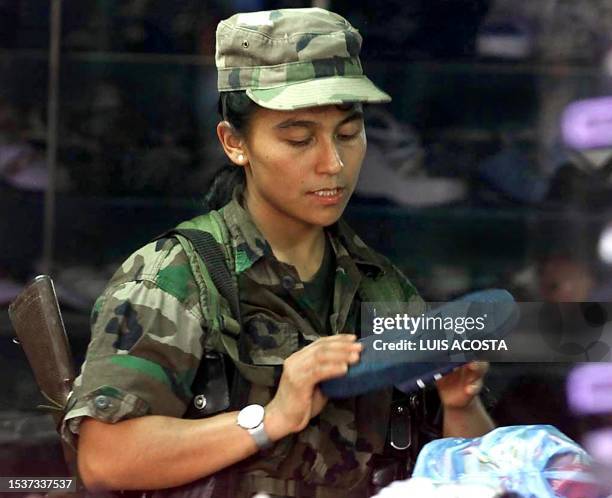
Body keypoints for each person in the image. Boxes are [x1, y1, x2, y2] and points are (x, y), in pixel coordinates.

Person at [61, 7, 494, 497]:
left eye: (348, 134)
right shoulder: (176, 277)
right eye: (298, 138)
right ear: (234, 143)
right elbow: (105, 459)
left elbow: (470, 475)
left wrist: (459, 403)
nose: (332, 163)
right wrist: (269, 419)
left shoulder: (378, 283)